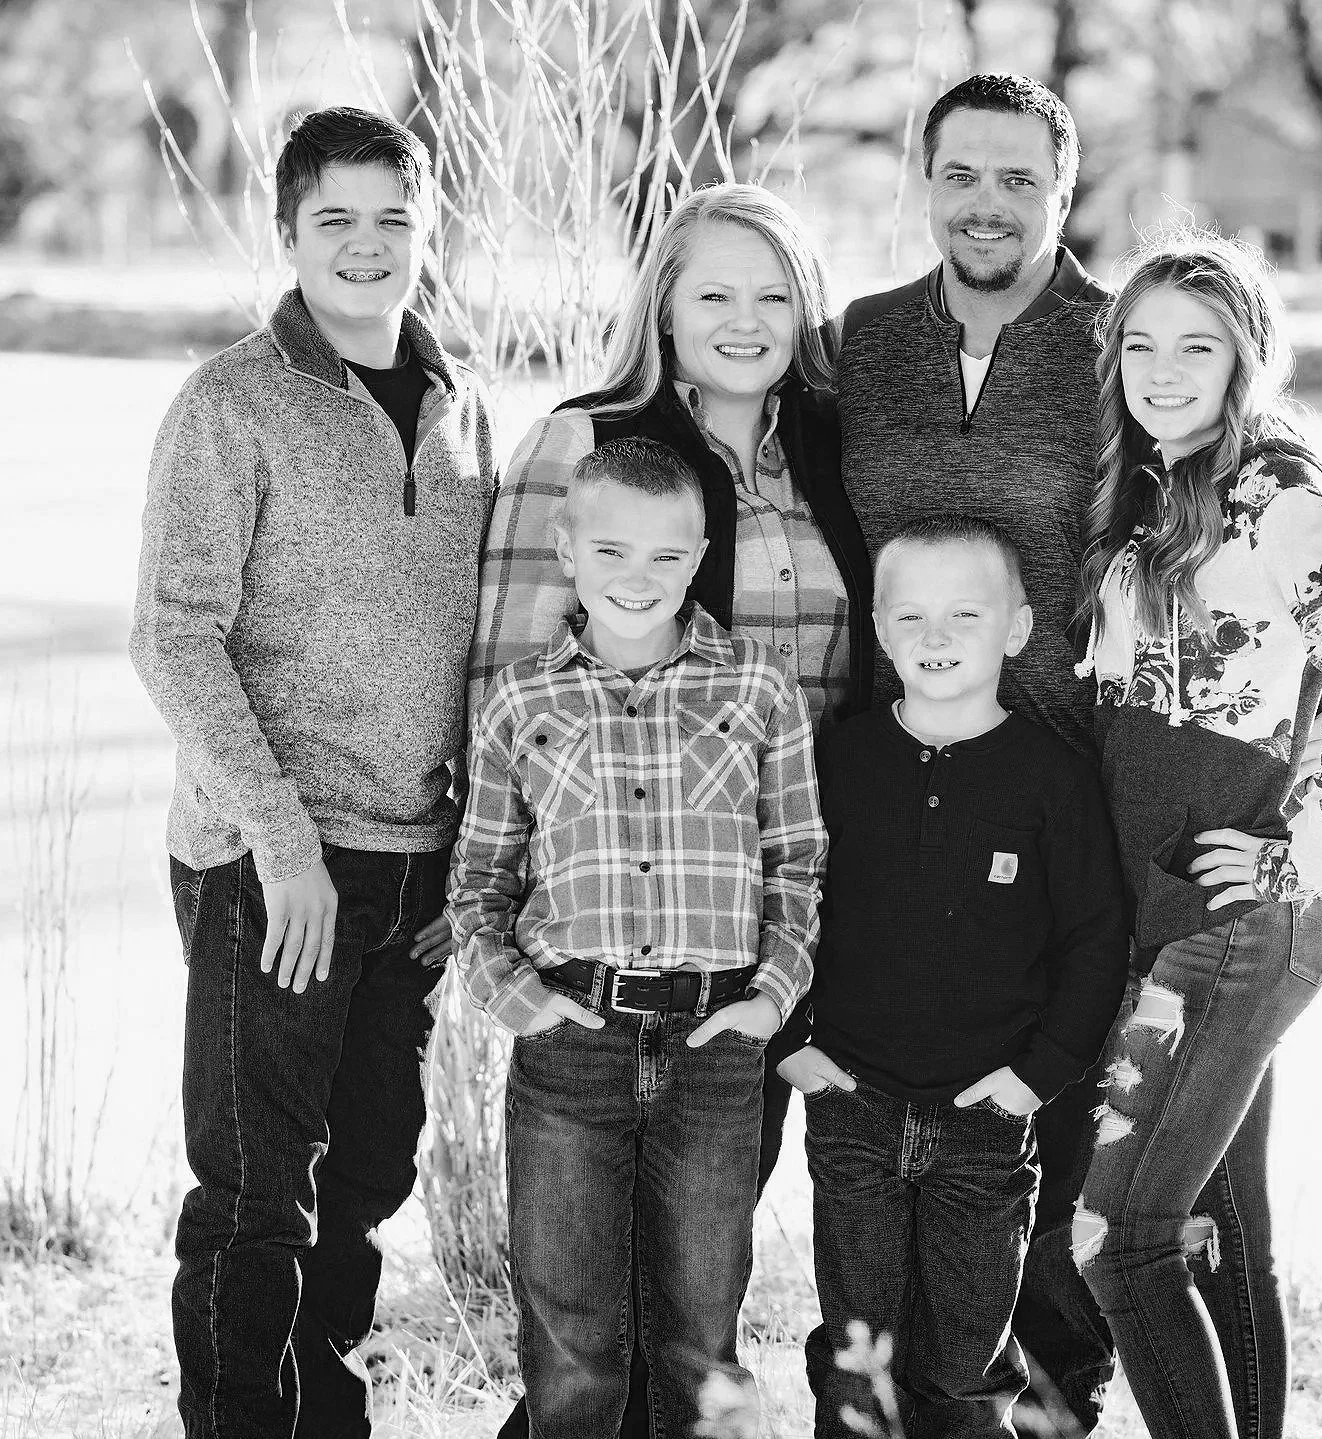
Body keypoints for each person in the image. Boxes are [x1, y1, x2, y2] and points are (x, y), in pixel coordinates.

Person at [473, 181, 871, 1437]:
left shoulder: (829, 447)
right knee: (586, 1299)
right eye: (712, 292)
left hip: (766, 907)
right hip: (596, 917)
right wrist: (491, 941)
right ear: (662, 302)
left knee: (702, 1262)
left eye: (771, 295)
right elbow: (507, 678)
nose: (743, 320)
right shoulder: (586, 442)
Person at [129, 107, 495, 1438]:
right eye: (333, 218)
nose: (365, 244)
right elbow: (172, 632)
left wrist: (474, 852)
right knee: (252, 1195)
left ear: (425, 229)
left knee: (364, 1185)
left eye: (392, 218)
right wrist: (281, 846)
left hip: (412, 872)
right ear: (286, 234)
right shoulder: (232, 401)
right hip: (269, 867)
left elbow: (479, 644)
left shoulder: (464, 405)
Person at [1068, 230, 1322, 1439]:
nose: (1163, 370)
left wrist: (1296, 857)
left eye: (1197, 346)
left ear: (1244, 360)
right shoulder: (1155, 487)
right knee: (1218, 1233)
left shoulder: (1270, 488)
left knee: (1117, 1239)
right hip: (1171, 907)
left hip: (1230, 925)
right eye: (1140, 344)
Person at [835, 73, 1117, 1433]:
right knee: (891, 1172)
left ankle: (1050, 1411)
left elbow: (1229, 462)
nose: (986, 202)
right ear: (924, 178)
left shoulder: (1116, 340)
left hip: (1065, 786)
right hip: (897, 782)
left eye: (1018, 177)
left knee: (1048, 1164)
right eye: (960, 173)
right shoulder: (866, 338)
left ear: (1061, 190)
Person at [448, 437, 827, 1439]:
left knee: (698, 1325)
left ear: (700, 555)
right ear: (566, 550)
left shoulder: (756, 689)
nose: (636, 577)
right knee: (572, 1331)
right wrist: (515, 995)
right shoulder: (521, 701)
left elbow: (797, 861)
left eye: (665, 555)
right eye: (610, 550)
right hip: (569, 1041)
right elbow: (479, 880)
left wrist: (771, 994)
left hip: (714, 1046)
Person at [779, 515, 1128, 1438]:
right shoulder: (841, 759)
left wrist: (1036, 1075)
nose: (935, 639)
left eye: (964, 616)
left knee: (967, 1362)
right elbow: (778, 898)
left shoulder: (1051, 776)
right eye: (912, 617)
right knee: (858, 1351)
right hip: (852, 1102)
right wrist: (789, 1047)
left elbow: (1094, 937)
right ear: (880, 628)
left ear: (1014, 628)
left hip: (986, 1116)